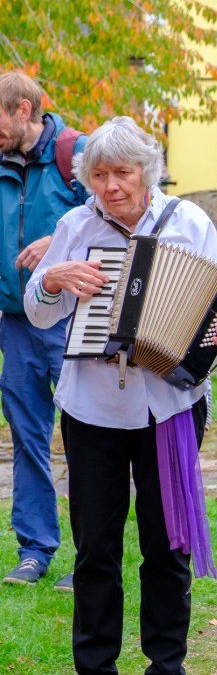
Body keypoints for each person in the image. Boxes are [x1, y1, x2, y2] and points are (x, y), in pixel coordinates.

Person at [23, 115, 217, 674]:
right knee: (95, 549)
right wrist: (51, 280)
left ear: (146, 171)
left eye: (121, 173)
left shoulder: (188, 223)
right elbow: (37, 311)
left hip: (169, 406)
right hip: (92, 410)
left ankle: (166, 665)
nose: (110, 186)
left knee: (167, 546)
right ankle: (95, 666)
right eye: (99, 176)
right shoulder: (75, 226)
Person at [0, 70, 87, 588]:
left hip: (71, 321)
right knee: (27, 436)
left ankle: (89, 555)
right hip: (16, 325)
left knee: (85, 438)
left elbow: (115, 218)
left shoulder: (78, 155)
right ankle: (34, 550)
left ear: (23, 110)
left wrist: (58, 241)